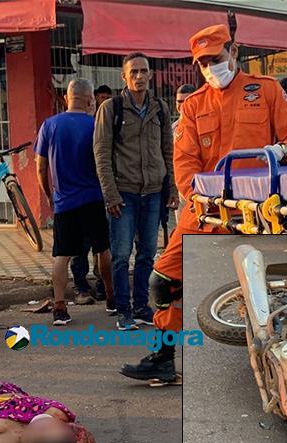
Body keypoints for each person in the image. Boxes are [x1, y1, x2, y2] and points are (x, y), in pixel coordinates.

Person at [126, 24, 287, 384]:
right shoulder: (194, 105)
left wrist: (282, 150)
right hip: (207, 211)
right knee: (161, 280)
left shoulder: (267, 90)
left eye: (217, 58)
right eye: (204, 63)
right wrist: (197, 198)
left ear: (234, 52)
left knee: (267, 292)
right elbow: (185, 165)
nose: (211, 67)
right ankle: (164, 356)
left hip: (258, 210)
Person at [93, 52, 173, 332]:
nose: (139, 76)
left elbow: (167, 151)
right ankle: (123, 310)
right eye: (134, 72)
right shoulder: (111, 108)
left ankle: (141, 306)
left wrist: (170, 188)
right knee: (121, 254)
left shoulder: (160, 108)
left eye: (144, 71)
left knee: (147, 254)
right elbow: (101, 153)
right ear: (124, 77)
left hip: (153, 193)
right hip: (123, 193)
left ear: (151, 75)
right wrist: (110, 195)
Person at [35, 79, 115, 326]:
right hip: (94, 198)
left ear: (68, 97)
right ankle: (111, 297)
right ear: (90, 99)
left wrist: (48, 194)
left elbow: (40, 167)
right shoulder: (95, 126)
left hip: (64, 202)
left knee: (62, 254)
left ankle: (59, 307)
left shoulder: (49, 125)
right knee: (102, 249)